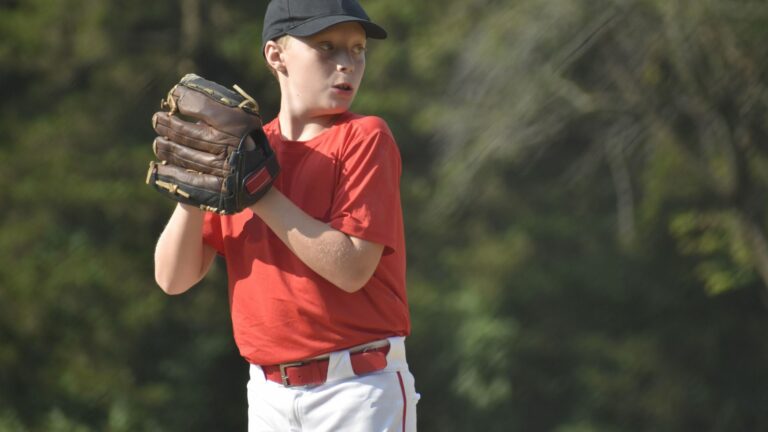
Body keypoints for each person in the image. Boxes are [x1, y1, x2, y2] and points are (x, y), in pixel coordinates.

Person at [152, 0, 419, 430]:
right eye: (326, 46)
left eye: (357, 48)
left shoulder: (365, 137)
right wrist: (193, 188)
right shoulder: (243, 152)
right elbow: (172, 278)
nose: (346, 63)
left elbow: (351, 268)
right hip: (268, 396)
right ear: (277, 55)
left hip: (357, 390)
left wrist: (258, 192)